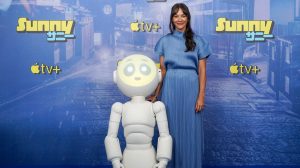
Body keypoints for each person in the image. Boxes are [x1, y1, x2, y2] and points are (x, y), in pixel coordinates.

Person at [147, 3, 212, 168]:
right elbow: (163, 72)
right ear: (171, 19)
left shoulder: (199, 41)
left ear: (188, 18)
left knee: (191, 132)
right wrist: (155, 95)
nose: (180, 19)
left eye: (183, 15)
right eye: (176, 16)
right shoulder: (164, 41)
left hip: (191, 89)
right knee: (169, 131)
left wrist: (201, 96)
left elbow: (202, 72)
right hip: (171, 89)